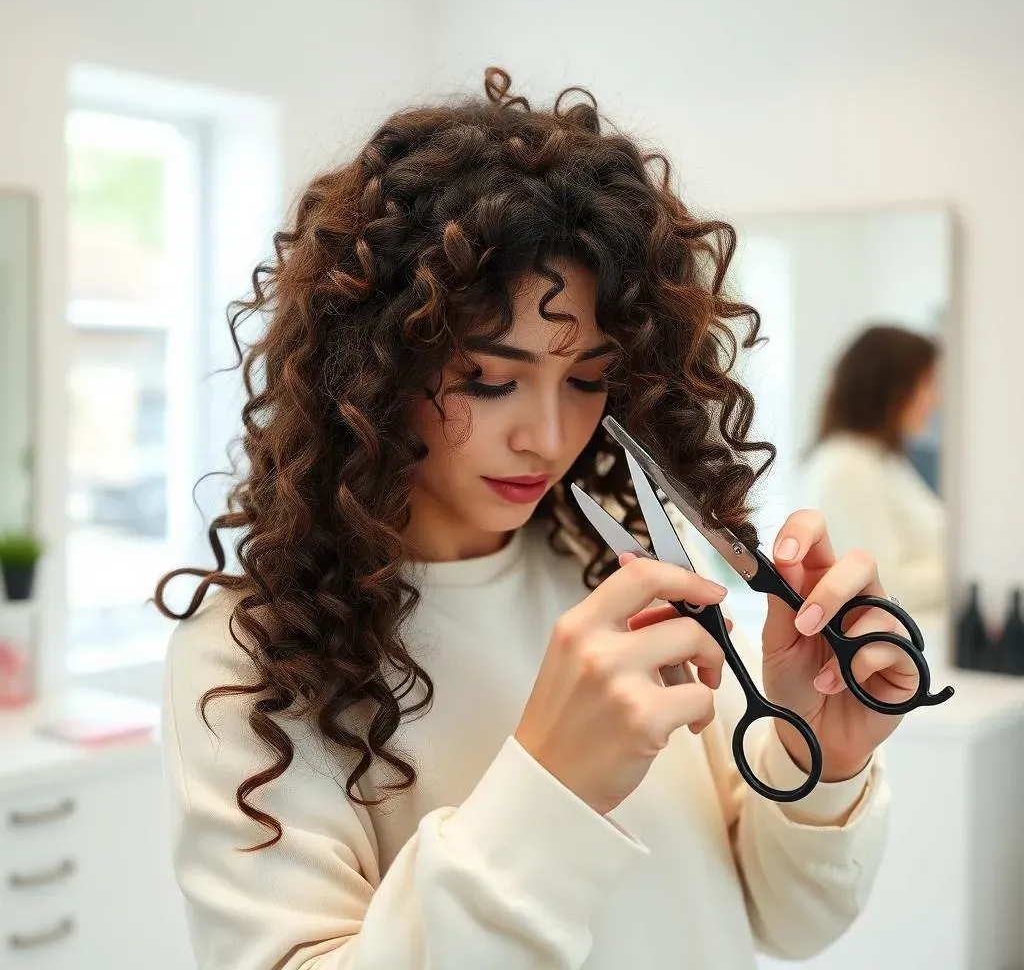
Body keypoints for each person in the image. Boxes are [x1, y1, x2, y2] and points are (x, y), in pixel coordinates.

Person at [156, 69, 915, 970]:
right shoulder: (249, 661)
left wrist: (817, 761)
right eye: (488, 378)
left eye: (587, 377)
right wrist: (551, 786)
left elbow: (785, 925)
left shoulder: (615, 574)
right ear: (374, 368)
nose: (548, 436)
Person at [801, 325, 945, 624]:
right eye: (927, 383)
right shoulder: (848, 467)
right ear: (892, 387)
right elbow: (885, 584)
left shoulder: (882, 462)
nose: (935, 399)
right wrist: (965, 571)